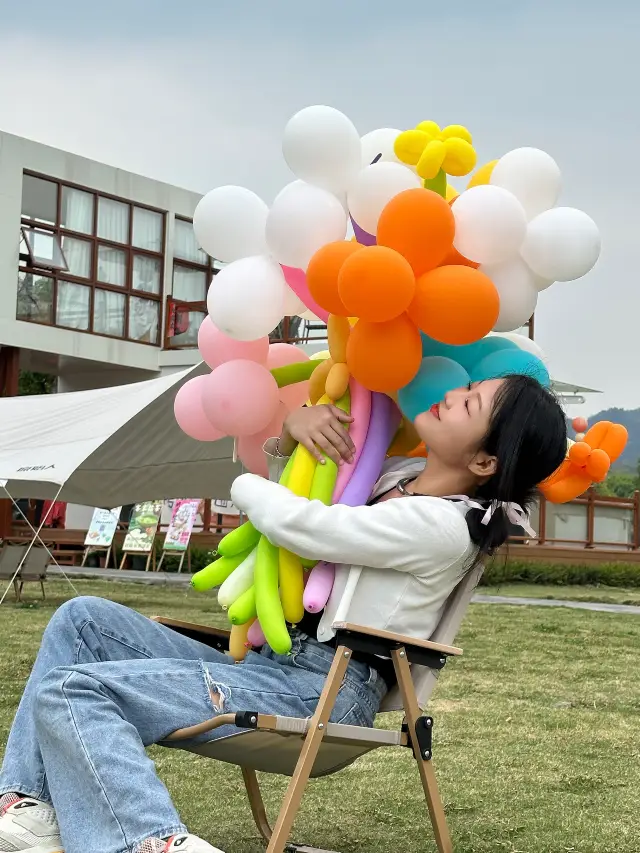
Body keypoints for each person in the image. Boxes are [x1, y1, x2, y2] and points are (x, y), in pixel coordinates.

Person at [0, 375, 567, 853]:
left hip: (325, 687)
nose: (453, 394)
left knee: (74, 690)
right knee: (83, 620)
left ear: (485, 459)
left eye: (471, 404)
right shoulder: (393, 475)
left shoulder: (446, 527)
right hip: (270, 661)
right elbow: (301, 492)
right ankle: (26, 809)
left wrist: (243, 485)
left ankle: (149, 839)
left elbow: (312, 527)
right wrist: (293, 433)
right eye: (466, 387)